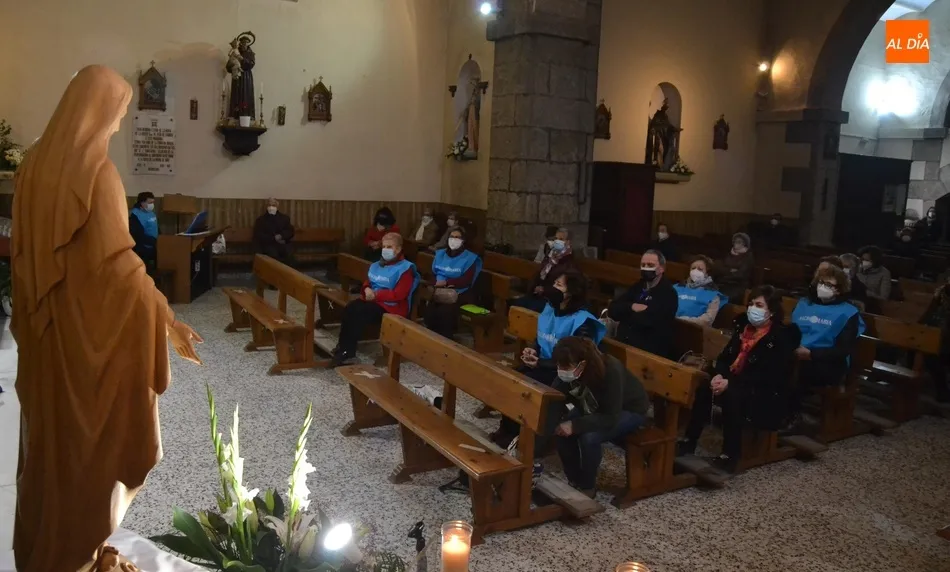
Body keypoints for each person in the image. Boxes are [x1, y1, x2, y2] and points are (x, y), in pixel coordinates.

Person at [10, 65, 203, 572]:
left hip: (45, 337)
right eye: (117, 114)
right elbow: (121, 269)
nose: (117, 126)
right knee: (91, 451)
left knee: (50, 447)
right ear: (97, 112)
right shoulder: (96, 172)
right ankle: (75, 553)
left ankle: (47, 549)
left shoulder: (30, 167)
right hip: (86, 347)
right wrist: (167, 319)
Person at [679, 285, 800, 471]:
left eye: (759, 305)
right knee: (704, 388)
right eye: (751, 304)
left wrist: (730, 383)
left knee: (732, 395)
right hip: (736, 381)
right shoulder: (743, 328)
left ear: (772, 311)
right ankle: (689, 440)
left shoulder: (780, 338)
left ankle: (730, 453)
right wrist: (718, 375)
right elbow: (724, 358)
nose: (753, 308)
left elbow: (769, 375)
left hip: (765, 390)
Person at [492, 270, 605, 448]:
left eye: (559, 286)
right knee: (511, 379)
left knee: (526, 387)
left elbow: (576, 360)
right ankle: (507, 429)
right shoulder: (550, 310)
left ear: (572, 293)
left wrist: (540, 363)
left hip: (566, 374)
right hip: (544, 366)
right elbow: (542, 337)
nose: (553, 288)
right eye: (554, 284)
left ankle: (525, 438)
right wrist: (533, 350)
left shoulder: (583, 322)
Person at [553, 336, 649, 496]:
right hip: (592, 405)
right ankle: (574, 479)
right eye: (558, 365)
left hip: (628, 409)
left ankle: (588, 485)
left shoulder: (611, 369)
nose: (561, 370)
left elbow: (610, 416)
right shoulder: (569, 371)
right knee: (561, 431)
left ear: (582, 363)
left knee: (589, 437)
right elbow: (555, 397)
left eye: (566, 366)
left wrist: (575, 425)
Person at [785, 265, 865, 432]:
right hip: (797, 354)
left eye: (829, 285)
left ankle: (792, 417)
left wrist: (811, 354)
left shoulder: (848, 313)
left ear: (839, 290)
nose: (823, 287)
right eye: (821, 282)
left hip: (828, 363)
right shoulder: (804, 304)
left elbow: (843, 350)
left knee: (794, 370)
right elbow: (790, 331)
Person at [333, 232, 419, 366]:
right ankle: (344, 348)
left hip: (391, 306)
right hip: (374, 300)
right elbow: (369, 281)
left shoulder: (405, 269)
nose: (385, 250)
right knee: (350, 308)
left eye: (389, 247)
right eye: (384, 246)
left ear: (398, 249)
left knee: (359, 313)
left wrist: (377, 294)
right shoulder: (378, 264)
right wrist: (366, 288)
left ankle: (347, 352)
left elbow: (399, 294)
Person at [607, 249, 679, 359]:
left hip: (648, 351)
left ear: (661, 268)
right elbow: (613, 309)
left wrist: (625, 313)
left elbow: (649, 321)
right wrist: (632, 307)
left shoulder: (668, 293)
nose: (646, 268)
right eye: (643, 264)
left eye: (650, 265)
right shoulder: (638, 286)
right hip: (624, 343)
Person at [424, 226, 482, 340]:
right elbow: (433, 274)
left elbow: (466, 280)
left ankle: (446, 341)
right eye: (452, 237)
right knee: (430, 309)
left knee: (445, 311)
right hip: (438, 290)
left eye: (457, 237)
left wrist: (446, 282)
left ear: (463, 240)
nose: (454, 239)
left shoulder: (470, 258)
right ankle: (431, 340)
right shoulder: (440, 254)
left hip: (459, 292)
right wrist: (435, 283)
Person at [510, 227, 576, 313]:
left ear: (568, 242)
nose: (557, 242)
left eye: (561, 239)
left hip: (551, 299)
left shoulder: (568, 263)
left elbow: (562, 288)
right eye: (556, 239)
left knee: (530, 309)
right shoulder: (551, 256)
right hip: (538, 295)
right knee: (515, 304)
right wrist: (533, 287)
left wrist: (544, 290)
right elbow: (539, 274)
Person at [919, 276, 950, 402]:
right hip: (937, 334)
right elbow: (928, 314)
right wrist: (935, 298)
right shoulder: (940, 293)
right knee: (926, 352)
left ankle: (942, 390)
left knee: (937, 355)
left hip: (946, 338)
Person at [674, 255, 727, 327]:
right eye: (693, 268)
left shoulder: (713, 295)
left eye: (700, 269)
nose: (695, 271)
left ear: (707, 273)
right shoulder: (676, 288)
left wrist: (683, 321)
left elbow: (707, 320)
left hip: (694, 331)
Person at [253, 197, 295, 263]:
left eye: (273, 205)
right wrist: (274, 238)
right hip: (268, 244)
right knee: (273, 254)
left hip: (282, 243)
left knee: (290, 255)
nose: (271, 207)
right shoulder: (261, 220)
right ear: (266, 207)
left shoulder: (284, 218)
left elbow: (290, 231)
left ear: (277, 206)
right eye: (269, 205)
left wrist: (281, 236)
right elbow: (259, 235)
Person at [717, 232, 755, 304]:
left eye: (739, 242)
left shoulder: (748, 256)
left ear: (744, 244)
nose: (736, 243)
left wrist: (726, 272)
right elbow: (719, 268)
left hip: (738, 284)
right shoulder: (728, 253)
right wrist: (730, 270)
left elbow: (741, 274)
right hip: (723, 282)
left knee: (724, 298)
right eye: (735, 241)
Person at [129, 190, 158, 268]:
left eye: (153, 203)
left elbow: (155, 227)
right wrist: (151, 241)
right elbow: (136, 234)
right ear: (142, 203)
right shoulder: (135, 215)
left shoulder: (151, 213)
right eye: (149, 203)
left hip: (154, 244)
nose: (151, 205)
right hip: (142, 247)